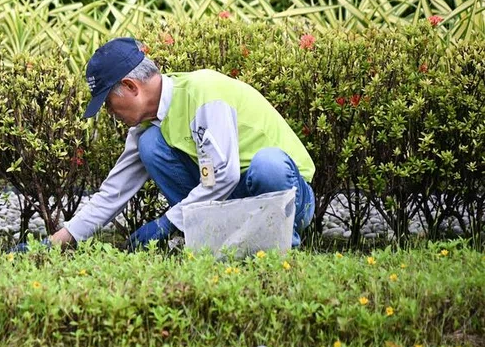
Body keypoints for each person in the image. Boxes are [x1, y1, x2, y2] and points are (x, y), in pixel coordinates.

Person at [45, 37, 316, 250]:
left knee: (267, 164)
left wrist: (167, 223)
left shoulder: (205, 93)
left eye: (108, 103)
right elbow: (113, 192)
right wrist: (56, 241)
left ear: (130, 87)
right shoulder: (147, 126)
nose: (110, 112)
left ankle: (279, 246)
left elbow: (224, 176)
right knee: (150, 144)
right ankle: (214, 236)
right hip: (234, 201)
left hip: (289, 197)